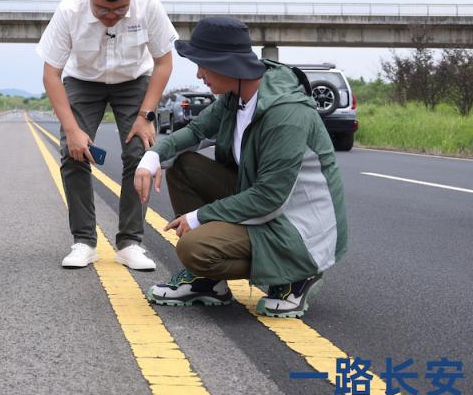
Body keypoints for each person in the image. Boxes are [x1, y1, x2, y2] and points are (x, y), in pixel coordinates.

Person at [134, 17, 348, 318]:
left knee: (194, 248)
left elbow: (270, 198)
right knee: (184, 167)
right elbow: (195, 132)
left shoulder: (285, 114)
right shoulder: (237, 97)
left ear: (226, 64)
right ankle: (209, 283)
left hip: (298, 229)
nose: (198, 74)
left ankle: (298, 272)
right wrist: (152, 158)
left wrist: (198, 217)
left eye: (202, 65)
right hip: (266, 205)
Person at [37, 0, 178, 270]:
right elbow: (51, 74)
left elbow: (164, 63)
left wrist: (146, 115)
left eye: (120, 9)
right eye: (103, 9)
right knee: (73, 152)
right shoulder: (69, 11)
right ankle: (84, 242)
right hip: (83, 81)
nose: (112, 16)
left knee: (140, 152)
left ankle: (130, 243)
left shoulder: (148, 5)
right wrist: (72, 130)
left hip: (133, 80)